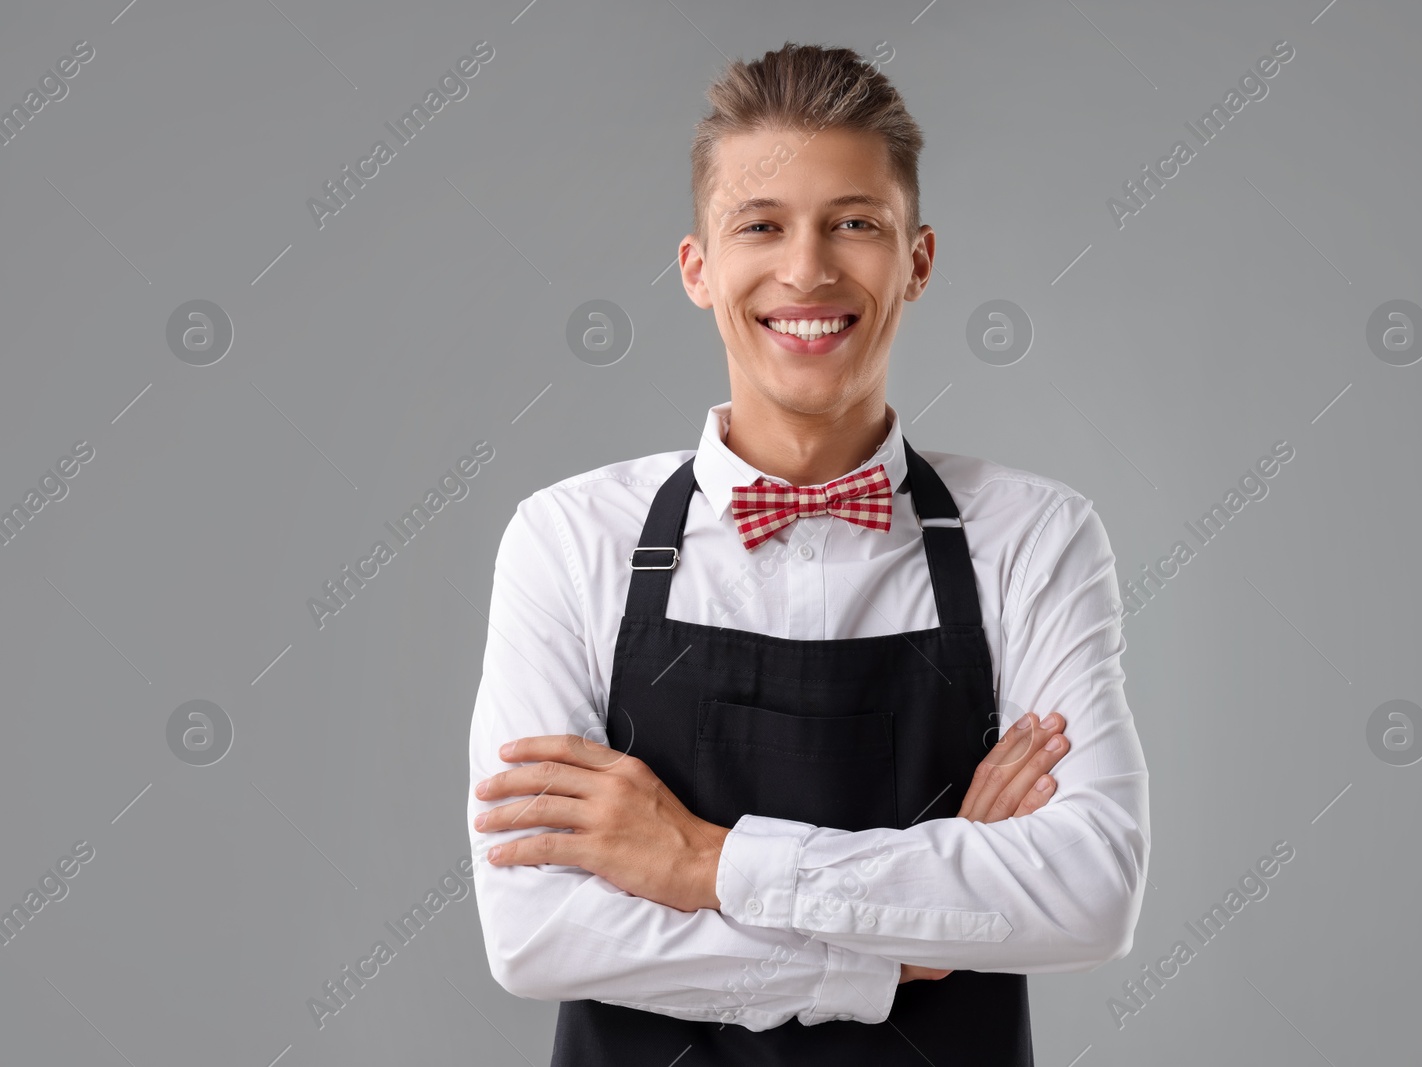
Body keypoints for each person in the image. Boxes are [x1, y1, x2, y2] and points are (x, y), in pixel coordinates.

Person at [466, 41, 1150, 1066]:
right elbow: (537, 932)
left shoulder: (1033, 537)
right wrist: (890, 949)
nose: (807, 269)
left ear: (915, 260)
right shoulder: (568, 540)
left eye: (854, 224)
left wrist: (699, 860)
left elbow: (1088, 892)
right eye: (761, 225)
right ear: (698, 268)